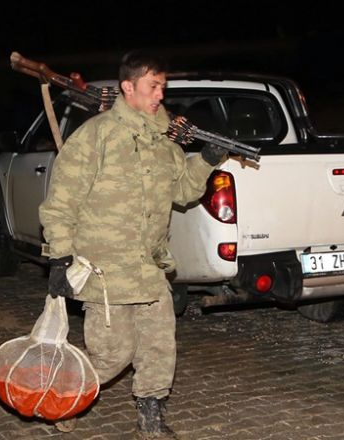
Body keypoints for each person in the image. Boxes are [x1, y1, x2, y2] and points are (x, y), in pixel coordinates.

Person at [38, 51, 226, 439]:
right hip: (106, 269)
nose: (160, 94)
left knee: (159, 349)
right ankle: (64, 398)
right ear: (128, 87)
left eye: (163, 87)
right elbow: (60, 202)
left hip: (150, 267)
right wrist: (60, 257)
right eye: (152, 86)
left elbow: (184, 192)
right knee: (112, 353)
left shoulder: (164, 141)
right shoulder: (96, 135)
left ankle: (151, 421)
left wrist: (205, 161)